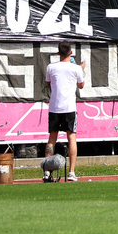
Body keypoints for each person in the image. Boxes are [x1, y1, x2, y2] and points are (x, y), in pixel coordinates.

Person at [44, 42, 86, 181]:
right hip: (69, 108)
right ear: (71, 52)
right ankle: (72, 172)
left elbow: (49, 84)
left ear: (58, 53)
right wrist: (82, 69)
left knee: (52, 139)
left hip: (55, 107)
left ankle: (47, 172)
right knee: (71, 137)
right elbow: (81, 85)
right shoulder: (76, 68)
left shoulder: (51, 67)